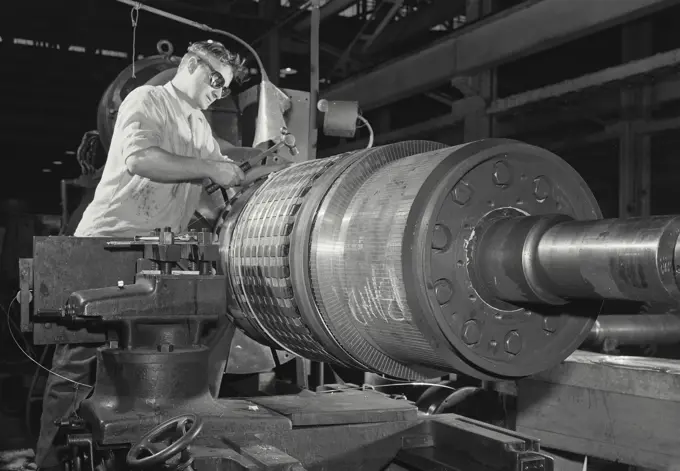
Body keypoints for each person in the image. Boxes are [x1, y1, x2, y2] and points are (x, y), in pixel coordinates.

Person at [35, 40, 250, 471]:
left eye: (224, 89)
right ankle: (50, 463)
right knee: (76, 369)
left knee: (157, 366)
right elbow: (141, 159)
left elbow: (209, 196)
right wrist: (213, 168)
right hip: (105, 247)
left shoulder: (199, 128)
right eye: (214, 80)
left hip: (156, 255)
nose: (217, 92)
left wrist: (241, 195)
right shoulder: (148, 100)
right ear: (190, 64)